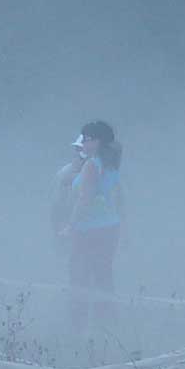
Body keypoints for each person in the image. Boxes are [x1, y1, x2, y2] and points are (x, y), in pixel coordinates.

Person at [61, 120, 124, 329]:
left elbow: (84, 199)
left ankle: (77, 326)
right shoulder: (111, 162)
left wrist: (70, 225)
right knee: (103, 277)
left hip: (88, 230)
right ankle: (105, 325)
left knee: (79, 278)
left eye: (89, 139)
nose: (84, 144)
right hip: (110, 228)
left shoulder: (91, 165)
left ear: (100, 141)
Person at [52, 133, 87, 243]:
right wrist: (59, 226)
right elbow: (57, 202)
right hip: (67, 223)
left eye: (81, 150)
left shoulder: (98, 171)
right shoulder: (64, 173)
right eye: (77, 149)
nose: (78, 154)